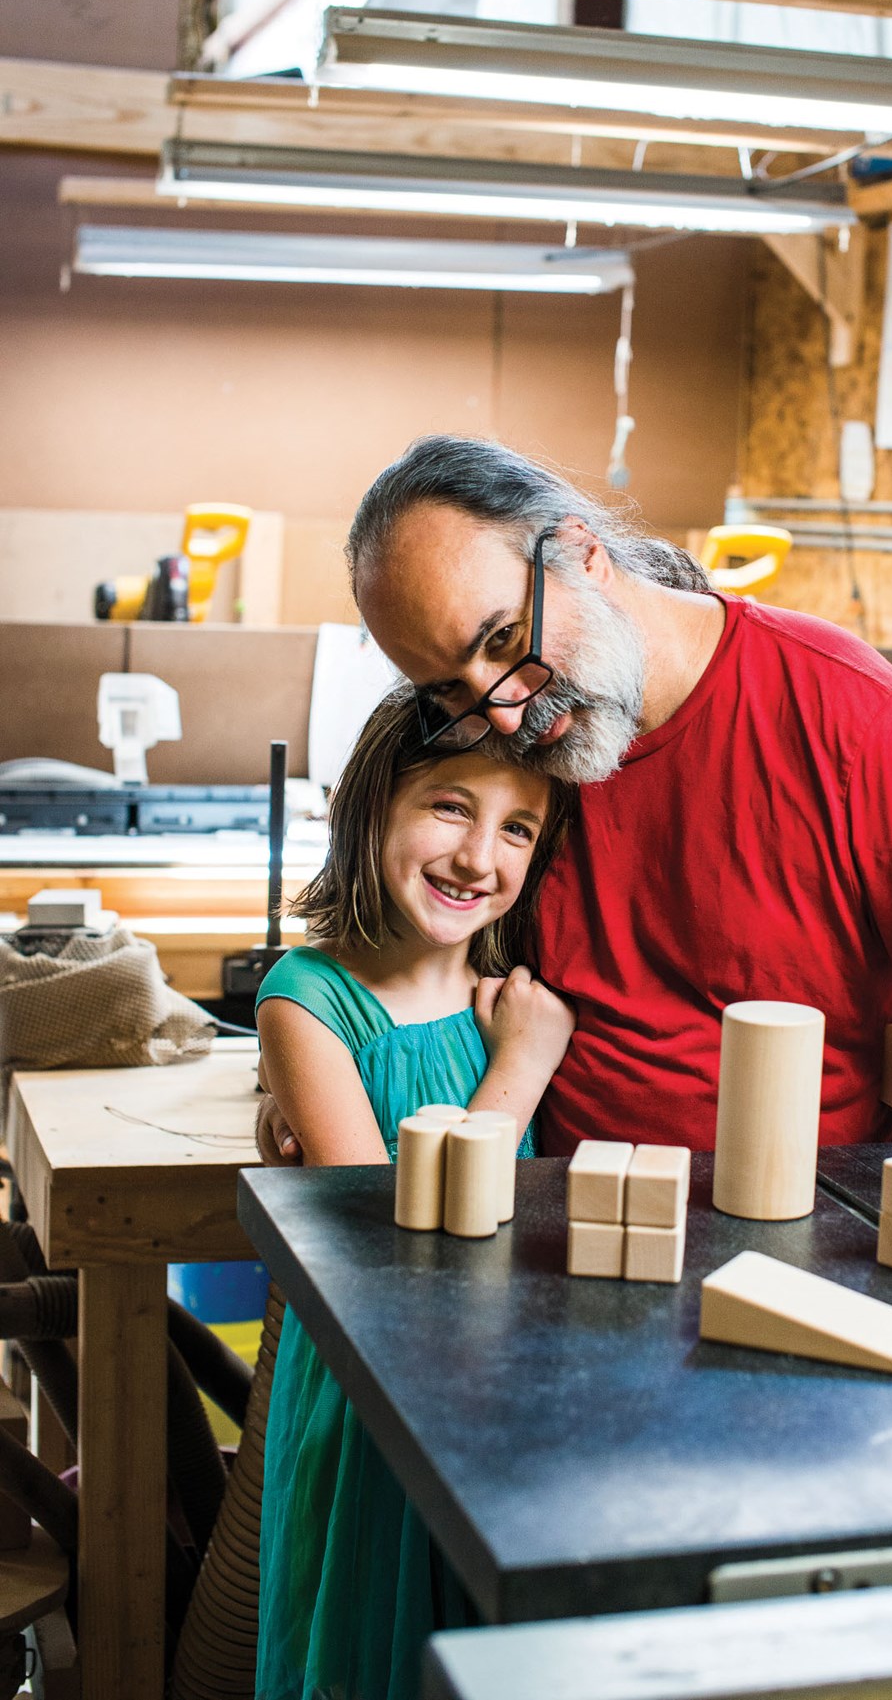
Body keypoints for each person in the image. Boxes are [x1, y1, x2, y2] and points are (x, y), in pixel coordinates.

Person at [259, 434, 892, 1192]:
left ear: (580, 553)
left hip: (813, 1245)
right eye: (448, 688)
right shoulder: (513, 752)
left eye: (506, 638)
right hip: (556, 1246)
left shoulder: (852, 723)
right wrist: (307, 1082)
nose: (503, 709)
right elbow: (406, 961)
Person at [253, 685, 574, 1700]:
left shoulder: (510, 990)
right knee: (367, 1649)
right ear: (370, 806)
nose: (479, 856)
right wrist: (521, 1070)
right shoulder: (306, 1000)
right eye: (448, 806)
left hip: (498, 1380)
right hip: (375, 1402)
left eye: (515, 827)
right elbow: (386, 1249)